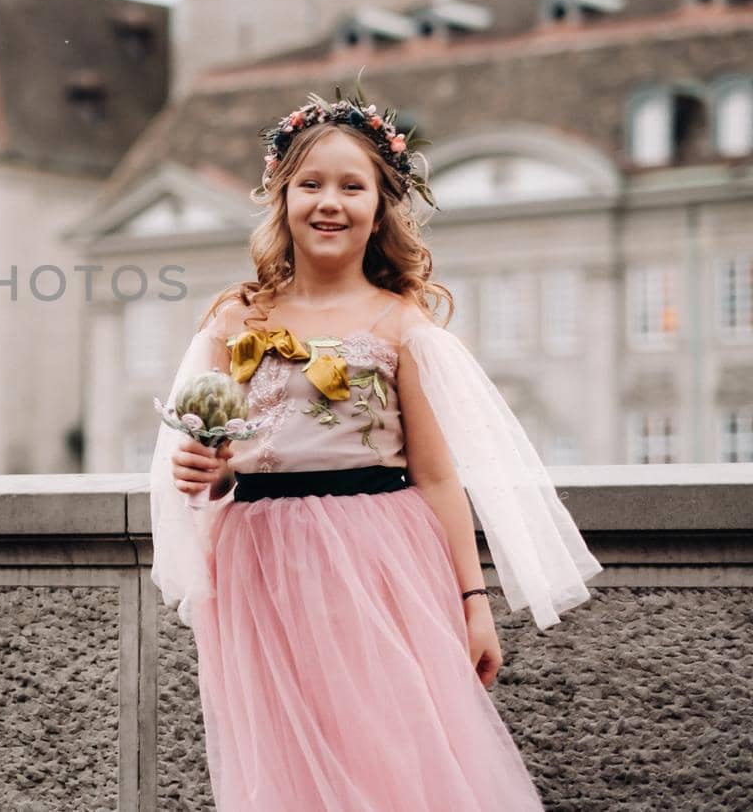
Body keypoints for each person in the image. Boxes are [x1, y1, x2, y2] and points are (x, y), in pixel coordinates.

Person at [148, 88, 602, 811]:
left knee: (387, 749)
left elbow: (437, 474)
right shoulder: (236, 317)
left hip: (377, 558)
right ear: (282, 198)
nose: (330, 202)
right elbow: (210, 456)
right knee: (289, 762)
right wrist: (209, 473)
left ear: (381, 206)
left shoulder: (399, 323)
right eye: (311, 184)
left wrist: (472, 602)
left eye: (352, 186)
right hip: (258, 566)